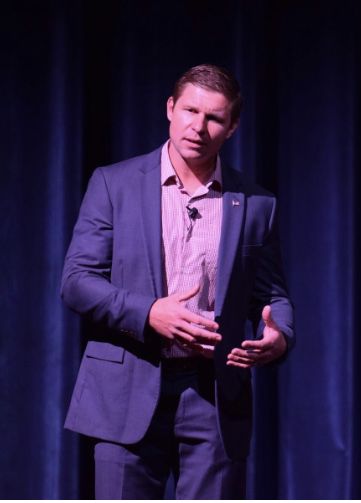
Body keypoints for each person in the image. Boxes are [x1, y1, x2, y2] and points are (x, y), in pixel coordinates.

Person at [61, 63, 294, 499]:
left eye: (214, 118)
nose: (198, 127)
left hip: (214, 399)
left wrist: (279, 337)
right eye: (190, 111)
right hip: (126, 390)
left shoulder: (257, 203)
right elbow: (76, 281)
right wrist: (150, 312)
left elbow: (272, 295)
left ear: (233, 127)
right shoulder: (115, 184)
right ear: (170, 109)